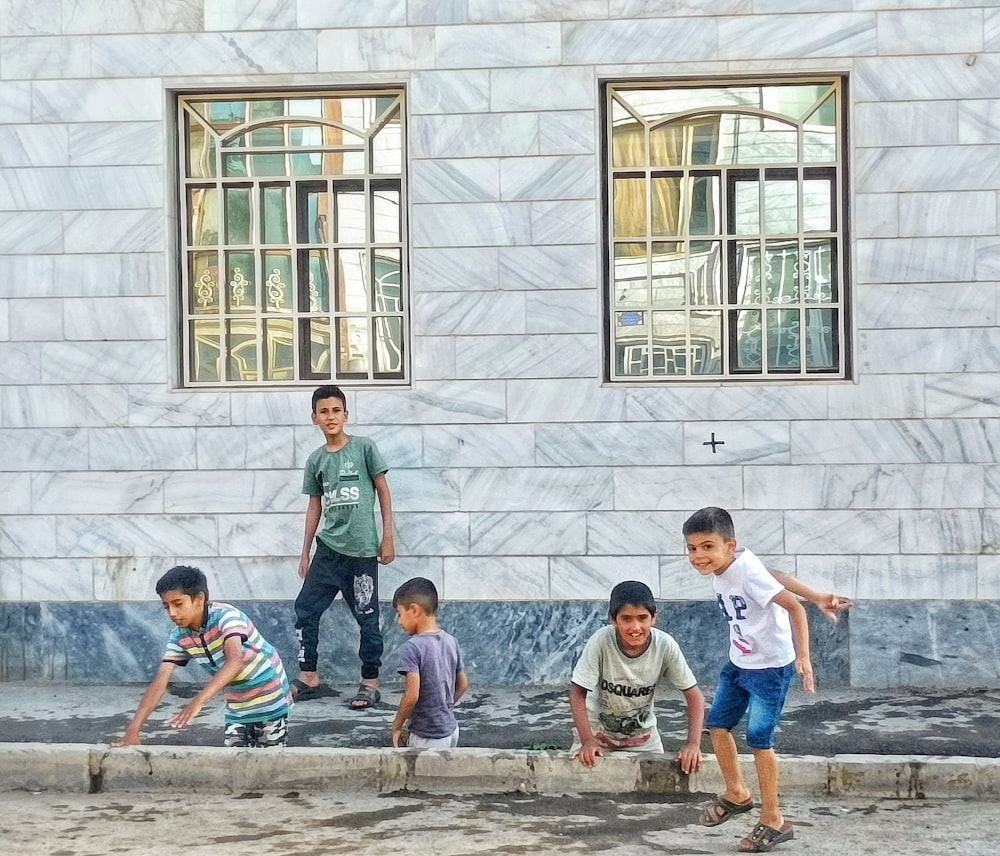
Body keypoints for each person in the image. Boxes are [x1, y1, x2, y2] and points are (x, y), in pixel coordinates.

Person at [683, 506, 853, 854]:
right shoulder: (734, 563)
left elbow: (794, 608)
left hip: (770, 669)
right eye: (692, 548)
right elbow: (772, 573)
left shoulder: (744, 571)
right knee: (717, 726)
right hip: (739, 662)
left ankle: (773, 818)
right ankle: (737, 793)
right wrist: (817, 593)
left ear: (730, 546)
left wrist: (804, 657)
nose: (699, 556)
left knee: (759, 739)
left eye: (707, 547)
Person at [292, 384, 395, 710]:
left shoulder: (364, 448)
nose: (330, 416)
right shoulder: (316, 460)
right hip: (328, 551)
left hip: (362, 553)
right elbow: (314, 507)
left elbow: (383, 490)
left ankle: (370, 682)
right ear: (314, 418)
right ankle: (308, 676)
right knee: (305, 609)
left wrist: (387, 536)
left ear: (346, 415)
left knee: (367, 617)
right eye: (324, 411)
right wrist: (305, 552)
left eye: (336, 410)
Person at [113, 565, 292, 748]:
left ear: (199, 600)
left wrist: (197, 702)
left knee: (268, 761)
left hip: (270, 695)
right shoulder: (180, 635)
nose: (172, 613)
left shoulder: (227, 617)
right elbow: (160, 681)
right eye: (166, 607)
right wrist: (133, 730)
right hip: (237, 704)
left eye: (178, 604)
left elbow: (235, 663)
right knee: (235, 760)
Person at [569, 580, 706, 774]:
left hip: (643, 740)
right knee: (579, 786)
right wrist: (587, 741)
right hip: (597, 736)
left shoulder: (665, 645)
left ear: (654, 618)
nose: (635, 627)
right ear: (613, 620)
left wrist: (693, 744)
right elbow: (577, 692)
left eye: (642, 618)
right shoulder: (601, 641)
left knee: (659, 789)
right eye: (626, 619)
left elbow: (695, 696)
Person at [390, 577, 469, 749]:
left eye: (400, 613)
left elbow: (412, 695)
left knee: (422, 776)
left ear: (414, 610)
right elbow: (463, 684)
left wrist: (396, 727)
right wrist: (444, 707)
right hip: (451, 730)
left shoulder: (412, 647)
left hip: (427, 736)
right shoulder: (451, 641)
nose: (399, 621)